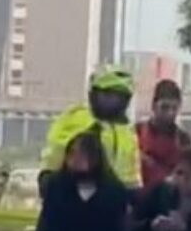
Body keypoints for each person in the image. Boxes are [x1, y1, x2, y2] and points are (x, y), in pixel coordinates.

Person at [38, 65, 142, 195]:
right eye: (108, 95)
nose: (113, 102)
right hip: (73, 198)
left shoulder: (127, 132)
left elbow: (130, 176)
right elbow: (55, 154)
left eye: (119, 97)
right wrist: (48, 178)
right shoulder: (77, 118)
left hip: (111, 203)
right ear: (93, 94)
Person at [136, 79, 191, 192]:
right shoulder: (136, 132)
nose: (170, 113)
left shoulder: (184, 140)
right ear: (153, 106)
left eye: (174, 108)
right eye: (165, 107)